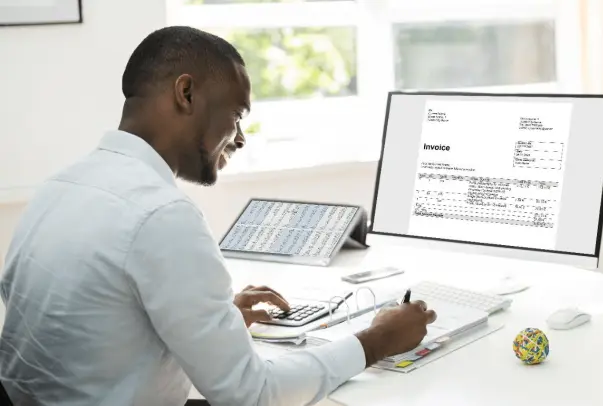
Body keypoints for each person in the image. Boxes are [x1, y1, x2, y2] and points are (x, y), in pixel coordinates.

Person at [0, 26, 436, 405]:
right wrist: (376, 340)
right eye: (237, 115)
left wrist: (212, 318)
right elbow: (252, 395)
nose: (240, 138)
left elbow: (90, 325)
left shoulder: (60, 187)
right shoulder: (162, 215)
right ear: (186, 93)